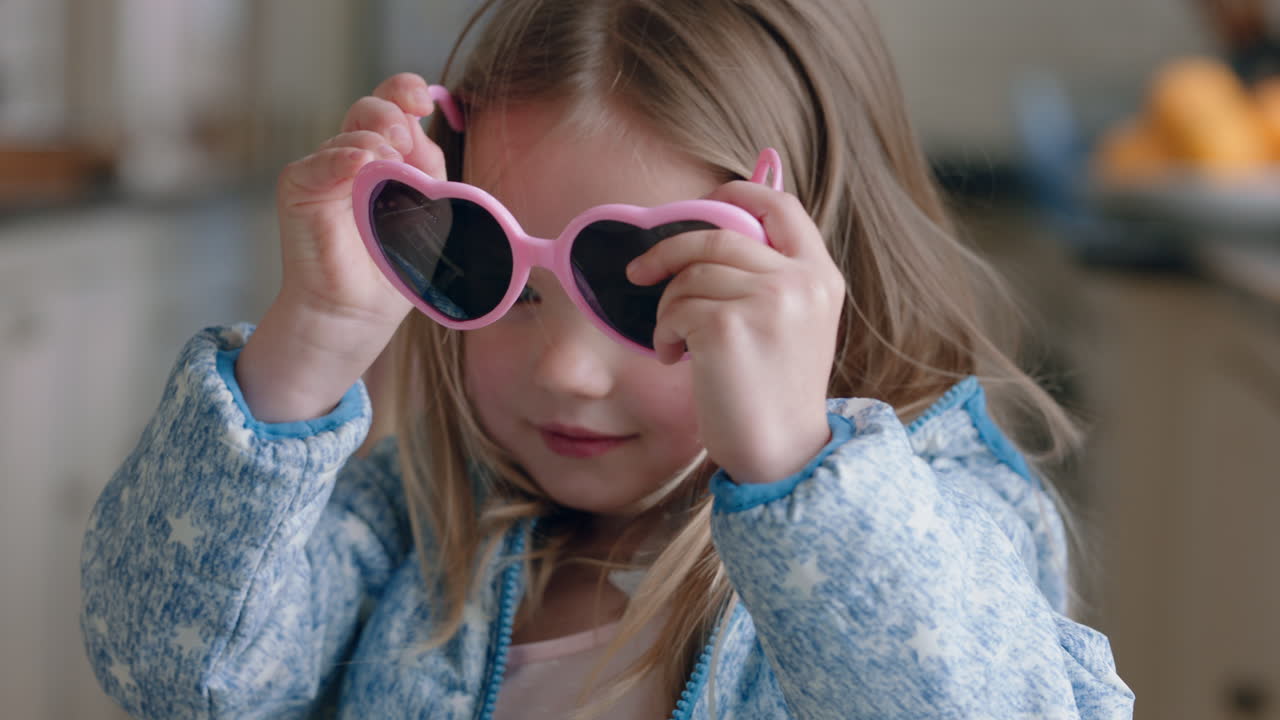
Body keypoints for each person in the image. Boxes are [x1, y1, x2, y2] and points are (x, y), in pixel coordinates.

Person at [79, 0, 1135, 717]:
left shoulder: (947, 517)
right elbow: (169, 674)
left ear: (815, 277)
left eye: (648, 296)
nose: (566, 373)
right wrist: (310, 340)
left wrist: (795, 464)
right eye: (500, 278)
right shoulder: (414, 525)